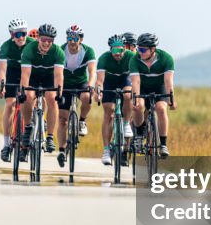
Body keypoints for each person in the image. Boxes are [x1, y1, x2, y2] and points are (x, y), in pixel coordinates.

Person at [18, 23, 65, 154]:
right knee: (28, 97)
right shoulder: (29, 50)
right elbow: (25, 75)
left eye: (50, 40)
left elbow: (58, 75)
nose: (46, 43)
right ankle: (28, 127)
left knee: (52, 98)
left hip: (49, 77)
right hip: (33, 76)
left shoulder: (58, 52)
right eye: (43, 39)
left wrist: (59, 93)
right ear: (38, 38)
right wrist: (23, 92)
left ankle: (49, 137)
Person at [129, 32, 176, 159]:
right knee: (138, 106)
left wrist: (171, 98)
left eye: (143, 50)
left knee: (161, 109)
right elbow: (135, 82)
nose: (140, 52)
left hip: (159, 87)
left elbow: (168, 81)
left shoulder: (166, 58)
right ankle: (139, 134)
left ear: (153, 49)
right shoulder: (134, 60)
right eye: (138, 49)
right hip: (142, 87)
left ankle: (163, 144)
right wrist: (136, 99)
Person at [56, 24, 96, 167]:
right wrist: (58, 88)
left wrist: (91, 85)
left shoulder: (88, 51)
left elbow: (92, 71)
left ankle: (82, 121)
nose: (72, 41)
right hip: (65, 84)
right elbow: (57, 72)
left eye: (75, 38)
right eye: (70, 38)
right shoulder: (60, 50)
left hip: (81, 83)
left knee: (87, 97)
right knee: (62, 120)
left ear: (81, 39)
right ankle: (62, 150)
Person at [0, 18, 34, 161]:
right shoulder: (5, 47)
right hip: (12, 74)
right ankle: (6, 145)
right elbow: (2, 70)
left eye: (23, 33)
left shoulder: (32, 44)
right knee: (10, 104)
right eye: (17, 34)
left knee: (32, 98)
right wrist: (1, 86)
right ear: (11, 34)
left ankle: (35, 126)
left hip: (29, 73)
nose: (21, 37)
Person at [95, 34, 135, 166]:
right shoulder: (104, 58)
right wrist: (98, 93)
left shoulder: (131, 56)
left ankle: (126, 123)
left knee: (128, 95)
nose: (117, 53)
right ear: (110, 49)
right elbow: (100, 80)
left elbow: (136, 77)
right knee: (109, 112)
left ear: (125, 48)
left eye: (120, 50)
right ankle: (106, 150)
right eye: (114, 50)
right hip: (110, 81)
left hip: (125, 79)